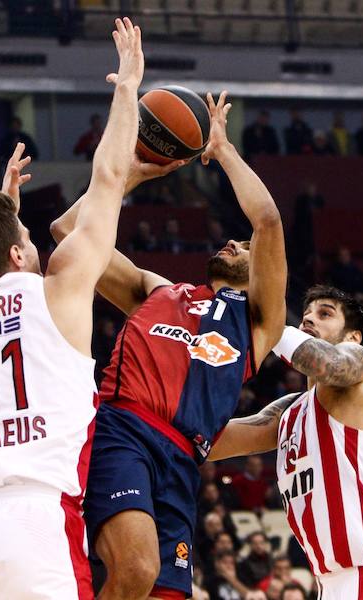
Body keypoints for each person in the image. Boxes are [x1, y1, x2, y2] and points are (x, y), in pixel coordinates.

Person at [0, 17, 144, 600]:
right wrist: (127, 88)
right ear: (20, 252)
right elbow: (110, 176)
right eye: (28, 235)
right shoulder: (59, 289)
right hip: (33, 514)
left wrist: (2, 207)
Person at [50, 93, 286, 599]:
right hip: (125, 430)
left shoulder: (259, 322)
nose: (234, 244)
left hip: (182, 459)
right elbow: (68, 230)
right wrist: (130, 176)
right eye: (232, 240)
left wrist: (222, 150)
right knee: (134, 569)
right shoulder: (159, 291)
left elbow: (266, 220)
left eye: (243, 248)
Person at [208, 285, 363, 598]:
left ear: (353, 337)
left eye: (324, 314)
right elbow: (208, 442)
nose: (309, 319)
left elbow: (324, 363)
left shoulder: (362, 368)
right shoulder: (288, 411)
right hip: (330, 581)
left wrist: (266, 320)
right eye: (307, 314)